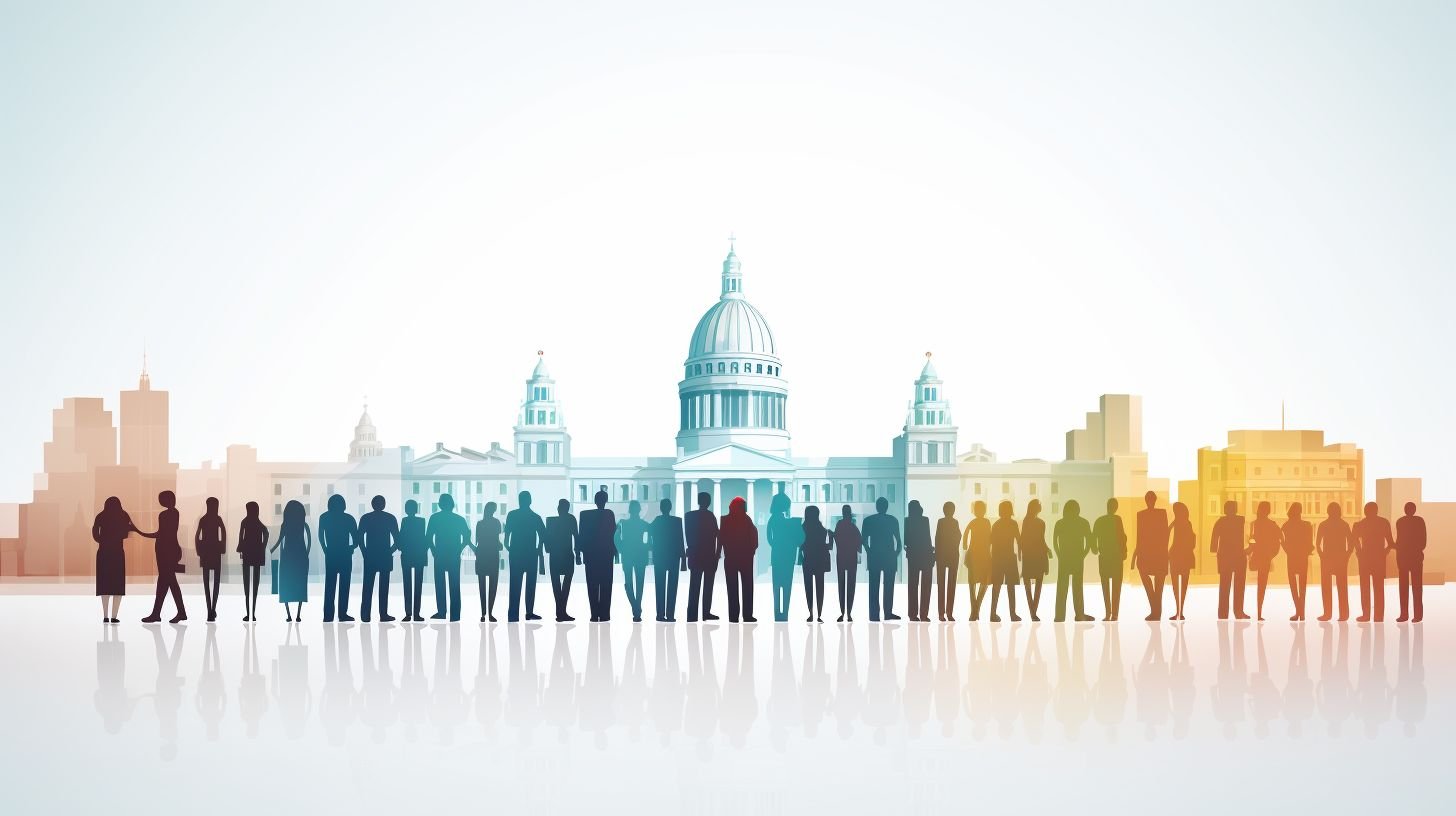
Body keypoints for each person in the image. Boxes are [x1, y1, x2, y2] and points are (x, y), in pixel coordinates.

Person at [138, 490, 187, 624]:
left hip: (166, 552)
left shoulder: (165, 514)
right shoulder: (174, 513)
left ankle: (163, 613)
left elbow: (161, 534)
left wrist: (140, 532)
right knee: (165, 583)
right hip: (169, 550)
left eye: (161, 498)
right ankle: (161, 613)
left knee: (168, 582)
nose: (160, 501)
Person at [426, 494, 471, 622]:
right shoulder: (459, 519)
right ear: (452, 504)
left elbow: (428, 537)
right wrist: (459, 549)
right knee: (455, 585)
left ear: (440, 504)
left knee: (440, 584)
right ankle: (455, 615)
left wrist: (434, 551)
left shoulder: (434, 518)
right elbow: (467, 537)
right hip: (454, 555)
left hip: (440, 554)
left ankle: (441, 612)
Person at [504, 491, 547, 622]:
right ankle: (529, 612)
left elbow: (506, 537)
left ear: (519, 501)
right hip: (530, 554)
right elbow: (543, 535)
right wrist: (538, 549)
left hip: (516, 554)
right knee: (530, 585)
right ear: (530, 501)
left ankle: (513, 615)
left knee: (514, 585)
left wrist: (510, 548)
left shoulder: (512, 515)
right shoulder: (535, 517)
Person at [358, 495, 400, 623]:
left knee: (367, 587)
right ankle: (383, 615)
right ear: (384, 504)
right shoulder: (390, 518)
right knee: (384, 587)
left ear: (372, 504)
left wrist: (365, 552)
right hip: (384, 556)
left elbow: (359, 538)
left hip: (370, 556)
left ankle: (365, 616)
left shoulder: (365, 518)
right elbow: (397, 539)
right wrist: (390, 551)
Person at [92, 496, 134, 623]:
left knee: (104, 584)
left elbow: (95, 533)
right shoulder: (124, 515)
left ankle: (105, 616)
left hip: (103, 552)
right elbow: (128, 533)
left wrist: (103, 540)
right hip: (117, 553)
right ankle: (114, 616)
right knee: (117, 584)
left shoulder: (100, 516)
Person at [318, 494, 359, 623]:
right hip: (345, 554)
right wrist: (351, 548)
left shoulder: (324, 517)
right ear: (343, 505)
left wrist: (325, 549)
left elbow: (320, 536)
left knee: (329, 585)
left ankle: (328, 615)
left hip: (331, 554)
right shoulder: (349, 518)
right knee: (344, 585)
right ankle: (342, 614)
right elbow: (356, 539)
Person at [579, 490, 618, 622]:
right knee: (606, 584)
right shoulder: (609, 514)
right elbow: (614, 535)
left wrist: (579, 553)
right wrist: (616, 552)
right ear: (605, 501)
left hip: (591, 555)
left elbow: (581, 535)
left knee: (592, 585)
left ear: (595, 501)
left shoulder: (584, 515)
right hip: (606, 554)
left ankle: (594, 614)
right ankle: (605, 614)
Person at [1351, 502, 1394, 623]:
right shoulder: (1384, 523)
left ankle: (1366, 615)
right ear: (1376, 510)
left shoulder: (1360, 524)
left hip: (1364, 558)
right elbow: (1390, 542)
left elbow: (1354, 539)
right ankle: (1378, 616)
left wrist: (1359, 551)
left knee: (1364, 587)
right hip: (1379, 558)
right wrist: (1385, 552)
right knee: (1379, 587)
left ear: (1366, 511)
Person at [270, 500, 311, 622]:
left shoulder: (286, 525)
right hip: (300, 554)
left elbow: (280, 539)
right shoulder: (303, 525)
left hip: (288, 556)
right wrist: (306, 554)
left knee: (286, 583)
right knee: (300, 584)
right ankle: (298, 615)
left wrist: (272, 549)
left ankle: (289, 615)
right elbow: (309, 541)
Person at [1052, 500, 1094, 623]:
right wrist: (1083, 555)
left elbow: (1055, 541)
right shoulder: (1083, 523)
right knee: (1077, 588)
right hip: (1077, 559)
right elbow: (1089, 542)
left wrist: (1059, 555)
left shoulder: (1060, 523)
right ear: (1077, 509)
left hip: (1064, 559)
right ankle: (1079, 614)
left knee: (1061, 588)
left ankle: (1059, 616)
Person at [862, 496, 902, 622]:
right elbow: (899, 541)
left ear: (877, 506)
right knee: (889, 586)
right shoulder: (893, 520)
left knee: (873, 586)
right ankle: (888, 613)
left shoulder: (869, 520)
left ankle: (874, 615)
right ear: (886, 507)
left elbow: (863, 540)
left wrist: (869, 552)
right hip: (889, 556)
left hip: (875, 556)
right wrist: (895, 554)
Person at [720, 496, 758, 623]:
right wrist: (752, 551)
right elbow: (754, 537)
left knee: (732, 588)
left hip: (730, 558)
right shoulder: (747, 520)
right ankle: (747, 615)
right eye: (744, 505)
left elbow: (721, 538)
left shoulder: (724, 520)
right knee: (747, 587)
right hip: (746, 558)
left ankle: (733, 616)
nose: (746, 507)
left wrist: (719, 553)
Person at [766, 493, 803, 622]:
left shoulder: (772, 519)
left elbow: (769, 539)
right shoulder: (785, 521)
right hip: (788, 556)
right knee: (787, 585)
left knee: (777, 585)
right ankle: (784, 614)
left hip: (777, 555)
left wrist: (776, 546)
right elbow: (799, 539)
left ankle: (778, 614)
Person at [685, 491, 721, 622]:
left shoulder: (689, 516)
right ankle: (706, 613)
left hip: (695, 555)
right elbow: (718, 535)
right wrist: (717, 554)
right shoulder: (711, 516)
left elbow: (688, 536)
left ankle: (692, 615)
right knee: (708, 586)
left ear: (698, 501)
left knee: (694, 586)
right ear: (709, 502)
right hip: (709, 556)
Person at [1210, 500, 1248, 621]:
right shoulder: (1240, 520)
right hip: (1238, 556)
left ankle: (1223, 614)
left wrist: (1216, 551)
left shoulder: (1220, 522)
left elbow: (1214, 542)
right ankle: (1238, 612)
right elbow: (1248, 537)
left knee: (1224, 586)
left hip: (1225, 557)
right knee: (1239, 586)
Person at [1134, 491, 1169, 622]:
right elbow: (1165, 535)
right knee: (1159, 586)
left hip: (1148, 554)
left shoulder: (1141, 515)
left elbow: (1140, 537)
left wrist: (1137, 554)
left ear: (1146, 500)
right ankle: (1156, 611)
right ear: (1154, 500)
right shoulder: (1162, 513)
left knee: (1148, 580)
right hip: (1159, 554)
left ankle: (1155, 611)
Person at [1316, 502, 1354, 622]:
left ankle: (1327, 614)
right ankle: (1343, 614)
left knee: (1327, 587)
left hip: (1328, 558)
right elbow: (1351, 544)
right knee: (1342, 587)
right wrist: (1346, 556)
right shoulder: (1344, 525)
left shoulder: (1323, 525)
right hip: (1339, 559)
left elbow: (1317, 543)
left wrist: (1322, 555)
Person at [649, 498, 686, 622]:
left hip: (659, 557)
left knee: (659, 586)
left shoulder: (656, 521)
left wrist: (651, 549)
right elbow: (681, 541)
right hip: (674, 557)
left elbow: (649, 536)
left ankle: (660, 615)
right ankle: (670, 615)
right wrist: (684, 560)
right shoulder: (677, 521)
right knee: (672, 586)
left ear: (661, 508)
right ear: (670, 508)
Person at [616, 500, 652, 622]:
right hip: (640, 555)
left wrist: (621, 549)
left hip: (627, 555)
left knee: (628, 583)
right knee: (640, 583)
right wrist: (645, 548)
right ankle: (637, 607)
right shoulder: (644, 524)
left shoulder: (623, 524)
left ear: (629, 510)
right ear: (639, 510)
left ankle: (635, 607)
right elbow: (649, 542)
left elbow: (616, 538)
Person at [1092, 498, 1127, 622]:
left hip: (1104, 556)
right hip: (1116, 557)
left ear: (1107, 506)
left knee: (1105, 586)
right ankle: (1115, 614)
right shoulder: (1117, 519)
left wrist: (1095, 549)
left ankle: (1108, 613)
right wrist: (1124, 552)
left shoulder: (1099, 520)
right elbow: (1122, 537)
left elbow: (1093, 536)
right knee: (1116, 586)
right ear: (1115, 508)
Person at [545, 498, 580, 622]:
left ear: (559, 508)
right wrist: (578, 555)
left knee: (557, 585)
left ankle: (560, 611)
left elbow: (546, 538)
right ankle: (561, 611)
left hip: (555, 556)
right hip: (566, 555)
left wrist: (548, 548)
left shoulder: (551, 521)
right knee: (565, 585)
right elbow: (576, 537)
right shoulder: (571, 519)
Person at [1248, 501, 1284, 621]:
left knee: (1260, 585)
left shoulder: (1254, 524)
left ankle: (1258, 612)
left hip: (1257, 556)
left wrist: (1248, 552)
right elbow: (1281, 538)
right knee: (1262, 585)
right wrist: (1272, 553)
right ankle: (1259, 613)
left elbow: (1251, 541)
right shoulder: (1272, 524)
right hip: (1266, 557)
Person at [194, 497, 227, 622]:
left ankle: (210, 610)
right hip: (214, 552)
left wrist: (199, 550)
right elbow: (223, 533)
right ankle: (212, 609)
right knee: (215, 582)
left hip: (206, 552)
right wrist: (222, 547)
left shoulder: (204, 519)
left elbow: (197, 536)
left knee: (207, 583)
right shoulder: (217, 519)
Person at [236, 501, 270, 622]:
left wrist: (240, 549)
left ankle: (249, 613)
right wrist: (262, 546)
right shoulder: (258, 523)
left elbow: (241, 537)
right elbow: (266, 532)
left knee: (247, 584)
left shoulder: (245, 522)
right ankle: (252, 614)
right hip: (256, 554)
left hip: (247, 554)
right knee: (255, 584)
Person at [988, 500, 1021, 622]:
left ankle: (993, 613)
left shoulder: (996, 524)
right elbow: (1018, 539)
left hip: (997, 558)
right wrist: (1020, 555)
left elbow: (990, 542)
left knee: (996, 586)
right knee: (1010, 587)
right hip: (1009, 558)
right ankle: (1012, 614)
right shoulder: (1013, 524)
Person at [1393, 502, 1426, 623]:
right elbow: (1423, 541)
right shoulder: (1418, 521)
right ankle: (1414, 615)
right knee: (1415, 587)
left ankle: (1406, 614)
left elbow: (1400, 540)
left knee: (1406, 587)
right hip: (1413, 557)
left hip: (1406, 557)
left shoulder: (1400, 521)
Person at [961, 500, 992, 621]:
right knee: (978, 582)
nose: (980, 511)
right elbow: (966, 534)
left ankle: (975, 609)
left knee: (976, 583)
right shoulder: (983, 522)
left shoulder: (978, 522)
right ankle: (975, 609)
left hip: (977, 554)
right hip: (979, 554)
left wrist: (964, 545)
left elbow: (966, 535)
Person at [1020, 500, 1050, 622]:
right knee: (1038, 585)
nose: (1041, 506)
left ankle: (1032, 611)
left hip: (1029, 556)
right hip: (1038, 556)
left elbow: (1023, 539)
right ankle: (1033, 612)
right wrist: (1047, 550)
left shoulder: (1026, 521)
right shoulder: (1040, 523)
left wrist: (1022, 555)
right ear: (1035, 508)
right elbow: (1041, 540)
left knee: (1029, 586)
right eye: (1039, 505)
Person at [473, 502, 504, 623]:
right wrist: (500, 546)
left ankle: (483, 613)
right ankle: (490, 613)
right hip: (493, 555)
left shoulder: (479, 524)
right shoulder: (496, 523)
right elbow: (497, 541)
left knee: (482, 586)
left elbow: (477, 541)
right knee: (493, 585)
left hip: (481, 555)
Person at [1283, 503, 1314, 622]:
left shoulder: (1286, 525)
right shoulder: (1307, 525)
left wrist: (1288, 551)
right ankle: (1302, 613)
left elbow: (1282, 541)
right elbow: (1309, 543)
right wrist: (1306, 551)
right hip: (1302, 557)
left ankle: (1298, 611)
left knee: (1294, 585)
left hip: (1292, 557)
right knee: (1302, 586)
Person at [903, 500, 934, 621]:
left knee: (912, 586)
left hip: (913, 556)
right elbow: (927, 537)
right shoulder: (925, 520)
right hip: (925, 555)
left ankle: (912, 614)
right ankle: (924, 615)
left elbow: (906, 540)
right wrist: (931, 550)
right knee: (926, 586)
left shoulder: (907, 520)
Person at [800, 505, 831, 623]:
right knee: (820, 587)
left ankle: (811, 613)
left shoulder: (803, 528)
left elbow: (800, 543)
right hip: (820, 561)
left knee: (808, 588)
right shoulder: (821, 529)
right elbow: (826, 545)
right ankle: (819, 613)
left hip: (807, 560)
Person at [398, 500, 429, 621]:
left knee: (407, 584)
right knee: (418, 585)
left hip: (407, 555)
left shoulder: (405, 521)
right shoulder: (422, 521)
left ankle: (408, 613)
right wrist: (424, 550)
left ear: (407, 509)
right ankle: (416, 614)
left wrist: (401, 548)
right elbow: (424, 538)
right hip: (419, 555)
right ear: (416, 509)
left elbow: (402, 535)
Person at [833, 505, 862, 622]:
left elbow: (836, 538)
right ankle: (849, 613)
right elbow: (859, 542)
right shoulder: (853, 526)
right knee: (851, 585)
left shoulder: (839, 525)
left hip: (841, 557)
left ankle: (842, 612)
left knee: (841, 585)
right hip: (851, 558)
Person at [934, 502, 962, 621]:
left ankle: (941, 614)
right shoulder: (955, 522)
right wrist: (954, 546)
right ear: (953, 511)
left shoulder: (941, 522)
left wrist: (937, 554)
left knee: (941, 585)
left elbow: (937, 538)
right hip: (953, 556)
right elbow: (959, 536)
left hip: (941, 556)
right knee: (951, 585)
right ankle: (949, 613)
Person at [1168, 502, 1196, 621]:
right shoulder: (1186, 523)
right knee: (1182, 586)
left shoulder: (1178, 524)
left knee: (1177, 586)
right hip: (1184, 558)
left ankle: (1178, 611)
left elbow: (1168, 533)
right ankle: (1180, 611)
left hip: (1176, 557)